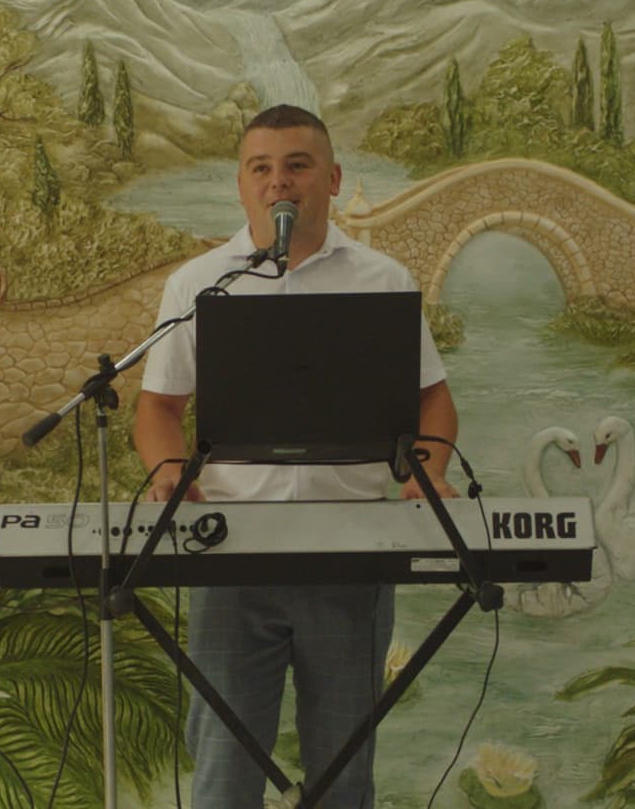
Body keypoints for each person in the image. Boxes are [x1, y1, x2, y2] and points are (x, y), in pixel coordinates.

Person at [132, 104, 459, 809]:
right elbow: (157, 408)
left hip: (353, 558)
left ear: (332, 179)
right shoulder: (200, 285)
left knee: (345, 777)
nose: (278, 181)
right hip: (229, 559)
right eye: (261, 168)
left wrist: (428, 473)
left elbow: (433, 399)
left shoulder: (382, 280)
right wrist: (169, 473)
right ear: (242, 185)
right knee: (223, 775)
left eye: (297, 166)